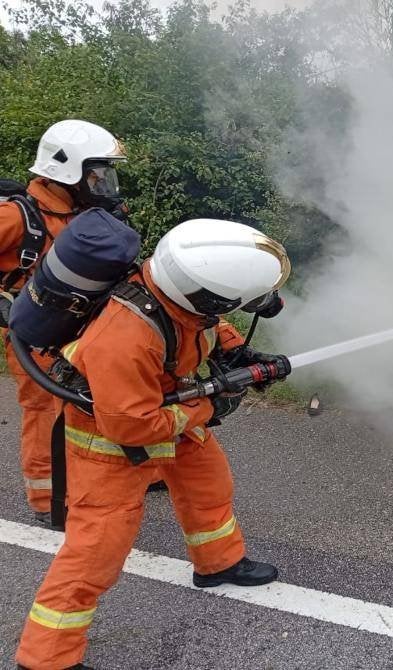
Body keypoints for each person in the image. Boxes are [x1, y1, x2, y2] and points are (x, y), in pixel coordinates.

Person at [14, 218, 290, 670]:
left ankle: (218, 563)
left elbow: (199, 326)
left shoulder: (177, 294)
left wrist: (238, 352)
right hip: (110, 440)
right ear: (206, 294)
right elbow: (131, 426)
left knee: (208, 486)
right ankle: (46, 658)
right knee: (96, 551)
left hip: (164, 404)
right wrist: (207, 410)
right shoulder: (124, 337)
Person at [0, 120, 128, 523]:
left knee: (107, 396)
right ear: (67, 171)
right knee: (45, 407)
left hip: (86, 326)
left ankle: (126, 464)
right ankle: (48, 496)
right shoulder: (17, 217)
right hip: (36, 332)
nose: (103, 182)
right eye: (97, 173)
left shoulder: (84, 213)